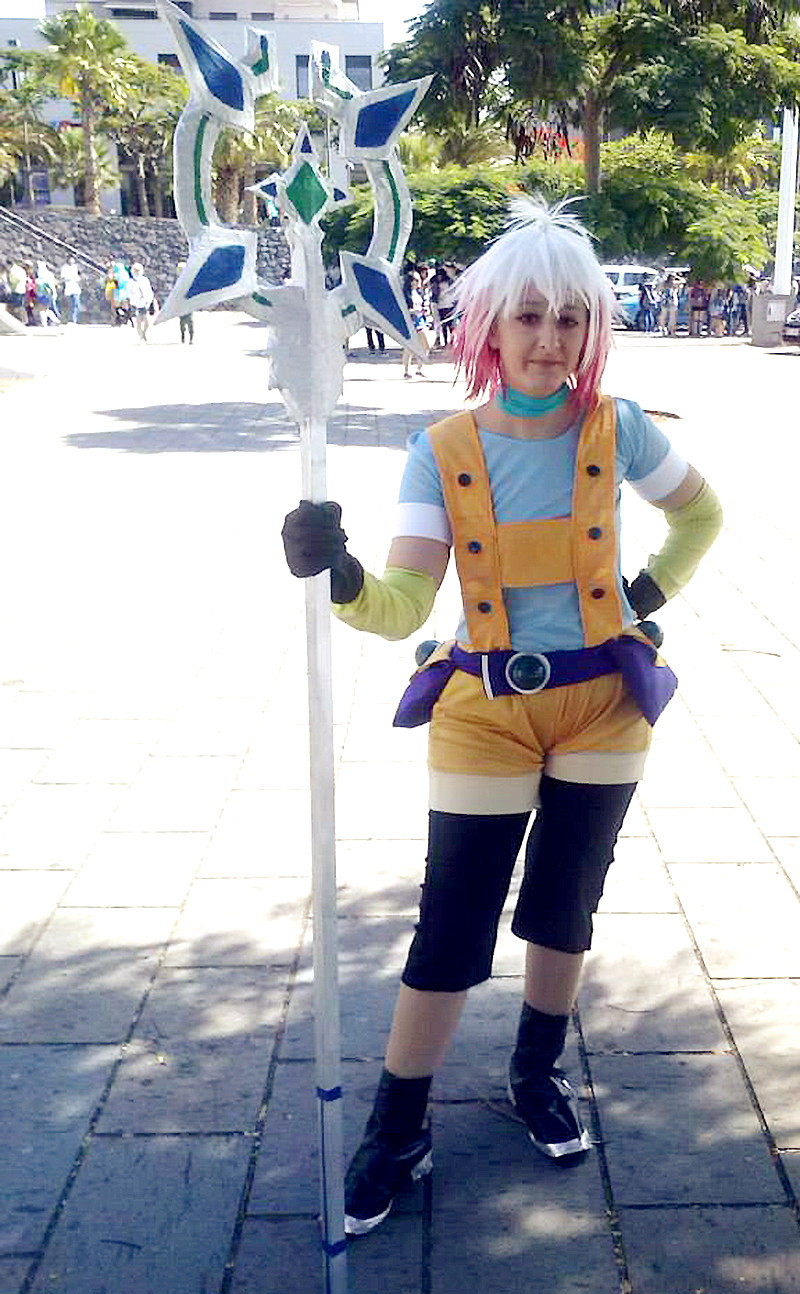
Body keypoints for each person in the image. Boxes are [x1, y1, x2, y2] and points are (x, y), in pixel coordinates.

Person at [280, 197, 723, 1237]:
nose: (548, 340)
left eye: (569, 318)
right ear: (488, 324)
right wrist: (338, 571)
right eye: (528, 316)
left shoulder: (620, 426)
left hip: (605, 708)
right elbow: (401, 607)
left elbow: (701, 513)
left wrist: (643, 595)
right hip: (483, 711)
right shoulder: (440, 448)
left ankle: (535, 1071)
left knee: (565, 904)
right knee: (453, 923)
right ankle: (399, 1126)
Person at [401, 267, 430, 378]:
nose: (417, 282)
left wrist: (424, 310)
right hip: (410, 322)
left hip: (420, 320)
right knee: (409, 347)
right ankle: (406, 371)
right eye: (415, 280)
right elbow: (404, 310)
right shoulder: (405, 294)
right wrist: (415, 310)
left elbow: (422, 305)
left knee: (426, 345)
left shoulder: (418, 292)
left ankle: (419, 368)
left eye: (418, 280)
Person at [128, 263, 155, 341]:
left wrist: (149, 300)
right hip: (136, 303)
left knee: (147, 321)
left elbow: (149, 291)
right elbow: (129, 293)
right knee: (138, 321)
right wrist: (134, 300)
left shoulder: (145, 280)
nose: (137, 272)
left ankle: (144, 333)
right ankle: (141, 336)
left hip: (145, 302)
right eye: (135, 270)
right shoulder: (131, 282)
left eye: (138, 270)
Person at [60, 258, 82, 324]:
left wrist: (78, 279)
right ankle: (71, 319)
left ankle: (74, 319)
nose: (72, 261)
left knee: (77, 304)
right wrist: (69, 279)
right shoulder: (64, 268)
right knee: (71, 305)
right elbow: (63, 278)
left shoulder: (75, 267)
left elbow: (79, 276)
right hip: (69, 289)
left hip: (76, 288)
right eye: (70, 260)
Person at [658, 272, 680, 336]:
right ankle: (668, 330)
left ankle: (667, 330)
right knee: (669, 317)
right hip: (669, 301)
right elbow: (683, 281)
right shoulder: (673, 284)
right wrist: (678, 277)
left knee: (668, 317)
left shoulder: (666, 284)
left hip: (668, 301)